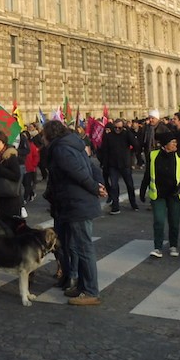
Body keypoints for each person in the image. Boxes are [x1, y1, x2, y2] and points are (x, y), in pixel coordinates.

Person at [44, 120, 108, 306]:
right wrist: (99, 184)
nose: (42, 138)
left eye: (43, 135)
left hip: (76, 202)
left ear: (50, 135)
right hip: (76, 201)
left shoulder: (61, 149)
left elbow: (78, 172)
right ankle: (81, 285)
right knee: (77, 246)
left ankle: (90, 290)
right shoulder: (74, 144)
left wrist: (96, 188)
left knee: (83, 247)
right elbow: (92, 168)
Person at [139, 133, 180, 258]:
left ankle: (173, 245)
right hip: (159, 194)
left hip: (174, 194)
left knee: (174, 221)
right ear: (165, 144)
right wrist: (142, 190)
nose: (175, 144)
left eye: (175, 142)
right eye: (172, 142)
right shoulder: (153, 155)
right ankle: (158, 248)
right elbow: (147, 174)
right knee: (159, 221)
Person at [99, 119, 139, 214]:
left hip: (125, 164)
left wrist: (128, 133)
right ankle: (115, 206)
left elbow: (136, 144)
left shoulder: (126, 134)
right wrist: (104, 163)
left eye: (119, 128)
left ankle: (133, 203)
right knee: (114, 186)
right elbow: (105, 149)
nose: (117, 129)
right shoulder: (109, 136)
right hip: (113, 164)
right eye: (115, 127)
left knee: (129, 185)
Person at [0, 130, 23, 225]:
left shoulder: (10, 156)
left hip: (11, 197)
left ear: (3, 143)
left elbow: (16, 176)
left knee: (12, 226)